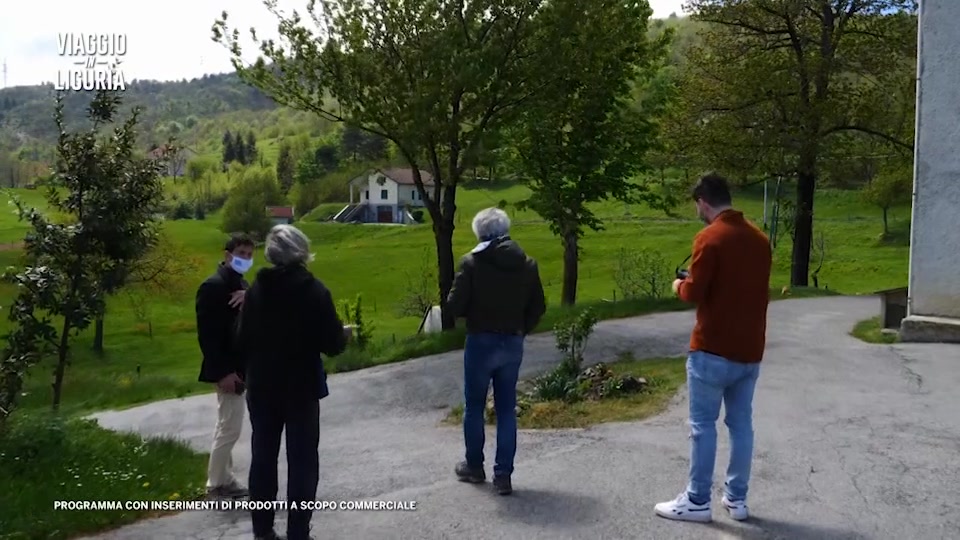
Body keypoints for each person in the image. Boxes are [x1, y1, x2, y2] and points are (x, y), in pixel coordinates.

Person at [654, 173, 772, 523]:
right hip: (750, 348)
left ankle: (697, 499)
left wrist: (679, 283)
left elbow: (695, 292)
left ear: (703, 202)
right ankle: (737, 499)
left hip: (712, 348)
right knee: (741, 425)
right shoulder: (760, 240)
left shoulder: (710, 237)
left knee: (703, 425)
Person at [237, 224, 349, 540]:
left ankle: (262, 530)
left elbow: (241, 338)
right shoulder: (314, 292)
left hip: (262, 386)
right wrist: (342, 335)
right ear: (302, 252)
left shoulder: (255, 291)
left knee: (263, 456)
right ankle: (298, 531)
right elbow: (332, 343)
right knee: (302, 461)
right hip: (300, 386)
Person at [446, 207, 546, 496]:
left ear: (480, 233)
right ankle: (503, 475)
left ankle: (474, 466)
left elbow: (454, 306)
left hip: (480, 340)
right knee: (506, 410)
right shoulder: (527, 264)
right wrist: (521, 329)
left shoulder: (471, 263)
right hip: (512, 341)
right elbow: (538, 306)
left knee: (474, 406)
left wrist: (472, 316)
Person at [196, 232, 255, 499]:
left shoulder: (241, 285)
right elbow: (208, 336)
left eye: (249, 255)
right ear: (227, 255)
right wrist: (222, 372)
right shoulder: (213, 287)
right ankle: (216, 483)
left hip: (240, 366)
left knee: (227, 423)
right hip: (227, 369)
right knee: (230, 426)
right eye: (241, 254)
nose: (245, 259)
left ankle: (224, 476)